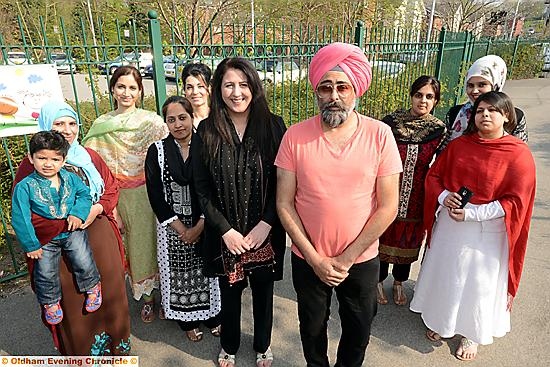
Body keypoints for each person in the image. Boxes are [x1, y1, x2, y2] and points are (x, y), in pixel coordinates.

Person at [275, 42, 402, 367]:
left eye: (342, 87)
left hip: (360, 261)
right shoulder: (295, 136)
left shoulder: (380, 135)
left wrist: (347, 257)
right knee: (312, 329)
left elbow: (388, 206)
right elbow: (284, 204)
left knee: (358, 330)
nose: (334, 95)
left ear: (356, 90)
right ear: (316, 92)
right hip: (308, 259)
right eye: (325, 87)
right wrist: (316, 258)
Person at [410, 91, 536, 361]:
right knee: (447, 275)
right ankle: (442, 321)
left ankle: (471, 333)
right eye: (480, 111)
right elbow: (434, 177)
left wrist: (475, 213)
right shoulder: (459, 146)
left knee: (478, 284)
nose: (485, 115)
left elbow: (516, 200)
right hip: (450, 226)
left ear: (507, 116)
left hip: (487, 233)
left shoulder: (518, 154)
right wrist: (445, 197)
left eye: (492, 110)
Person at [13, 101, 130, 355]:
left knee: (111, 295)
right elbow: (22, 211)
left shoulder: (88, 155)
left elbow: (110, 189)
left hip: (100, 239)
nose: (67, 130)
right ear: (45, 125)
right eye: (58, 123)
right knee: (73, 304)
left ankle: (118, 353)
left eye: (71, 123)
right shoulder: (30, 165)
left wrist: (96, 209)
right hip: (58, 248)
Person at [192, 57, 286, 367]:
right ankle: (229, 345)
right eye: (229, 85)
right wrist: (225, 231)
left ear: (254, 87)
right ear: (217, 89)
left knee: (263, 292)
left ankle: (263, 345)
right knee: (230, 295)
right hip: (226, 235)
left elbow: (283, 183)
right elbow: (201, 187)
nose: (236, 92)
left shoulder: (274, 126)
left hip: (265, 231)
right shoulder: (206, 130)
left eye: (243, 85)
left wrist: (267, 224)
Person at [83, 66, 168, 323]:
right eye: (121, 86)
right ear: (112, 89)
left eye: (132, 87)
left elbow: (166, 155)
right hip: (114, 196)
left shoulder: (151, 122)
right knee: (127, 248)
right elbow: (91, 164)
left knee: (151, 244)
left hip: (147, 193)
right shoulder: (101, 125)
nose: (126, 92)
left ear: (140, 91)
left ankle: (160, 297)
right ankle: (140, 298)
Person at [145, 96, 221, 342]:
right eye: (171, 119)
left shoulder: (208, 145)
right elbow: (155, 195)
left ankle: (212, 317)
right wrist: (181, 229)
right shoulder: (156, 151)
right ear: (165, 122)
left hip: (205, 221)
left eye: (182, 117)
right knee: (178, 273)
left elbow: (214, 187)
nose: (178, 124)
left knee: (206, 271)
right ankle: (186, 320)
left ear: (191, 117)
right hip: (171, 226)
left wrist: (199, 225)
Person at [12, 130, 101, 325]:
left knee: (83, 259)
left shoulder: (70, 178)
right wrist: (30, 244)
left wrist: (78, 213)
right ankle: (50, 302)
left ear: (63, 160)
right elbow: (20, 217)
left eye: (54, 158)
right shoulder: (24, 186)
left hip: (72, 231)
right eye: (41, 157)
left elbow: (84, 195)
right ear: (31, 158)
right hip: (45, 239)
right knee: (45, 271)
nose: (48, 163)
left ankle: (93, 287)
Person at [377, 75, 447, 306]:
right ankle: (377, 282)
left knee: (409, 240)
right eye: (419, 95)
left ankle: (398, 283)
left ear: (435, 101)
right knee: (382, 234)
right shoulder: (391, 123)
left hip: (418, 196)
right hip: (387, 190)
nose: (423, 101)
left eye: (429, 97)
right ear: (411, 96)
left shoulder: (438, 130)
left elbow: (444, 164)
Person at [444, 55, 528, 146]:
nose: (474, 91)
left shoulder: (514, 116)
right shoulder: (454, 114)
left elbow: (519, 152)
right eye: (470, 85)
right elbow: (444, 153)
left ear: (496, 85)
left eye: (481, 85)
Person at [181, 62, 212, 129]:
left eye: (200, 86)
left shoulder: (220, 118)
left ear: (209, 88)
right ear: (184, 90)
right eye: (189, 87)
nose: (195, 92)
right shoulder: (180, 122)